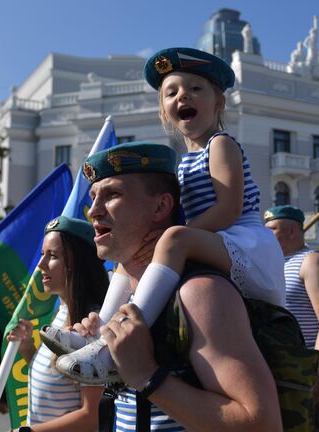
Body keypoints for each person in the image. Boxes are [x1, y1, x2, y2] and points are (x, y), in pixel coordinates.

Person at [54, 47, 285, 385]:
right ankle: (101, 331)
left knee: (172, 240)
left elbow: (229, 209)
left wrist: (173, 236)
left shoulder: (220, 145)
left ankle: (121, 339)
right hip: (211, 237)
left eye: (195, 88)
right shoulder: (182, 161)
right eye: (171, 92)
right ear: (163, 109)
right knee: (130, 259)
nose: (183, 97)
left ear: (219, 102)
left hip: (243, 239)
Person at [67, 141, 283, 430]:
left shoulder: (198, 293)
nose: (93, 211)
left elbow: (263, 424)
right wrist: (96, 340)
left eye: (112, 194)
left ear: (161, 206)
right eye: (93, 197)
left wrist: (147, 375)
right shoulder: (127, 293)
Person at [6, 216, 108, 431]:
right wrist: (27, 349)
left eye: (52, 256)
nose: (40, 265)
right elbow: (59, 381)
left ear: (77, 263)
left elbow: (92, 417)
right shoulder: (61, 313)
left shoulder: (91, 326)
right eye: (42, 255)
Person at [263, 205, 319, 431]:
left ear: (293, 231)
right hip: (279, 366)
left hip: (306, 367)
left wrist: (315, 374)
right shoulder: (272, 264)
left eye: (272, 229)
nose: (266, 235)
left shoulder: (311, 261)